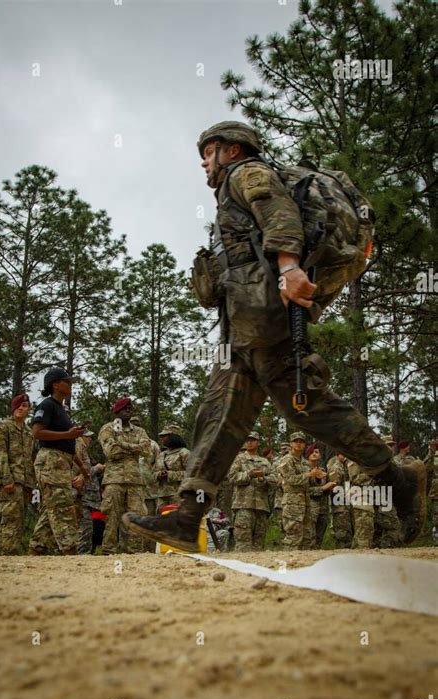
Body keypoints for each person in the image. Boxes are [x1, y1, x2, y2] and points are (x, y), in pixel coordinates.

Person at [123, 120, 426, 551]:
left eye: (207, 153)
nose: (203, 164)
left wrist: (289, 268)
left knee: (289, 406)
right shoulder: (234, 184)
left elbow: (278, 214)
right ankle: (187, 518)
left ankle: (397, 480)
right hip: (247, 323)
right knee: (228, 414)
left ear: (230, 150)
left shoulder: (247, 173)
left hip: (265, 317)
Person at [28, 368, 89, 555]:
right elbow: (37, 432)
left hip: (63, 460)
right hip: (50, 460)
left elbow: (68, 443)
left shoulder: (61, 409)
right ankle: (70, 551)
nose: (70, 385)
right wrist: (68, 433)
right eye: (67, 382)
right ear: (55, 384)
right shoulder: (46, 405)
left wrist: (82, 467)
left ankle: (37, 548)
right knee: (62, 506)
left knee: (52, 507)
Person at [98, 398, 151, 554]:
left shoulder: (139, 431)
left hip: (135, 481)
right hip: (114, 480)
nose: (128, 410)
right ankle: (109, 551)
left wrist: (123, 445)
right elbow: (112, 452)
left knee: (136, 518)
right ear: (116, 411)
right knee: (112, 517)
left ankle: (133, 552)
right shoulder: (108, 429)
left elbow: (147, 450)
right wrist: (135, 448)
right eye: (124, 408)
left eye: (130, 408)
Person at [0, 393, 36, 554]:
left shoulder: (29, 432)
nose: (21, 409)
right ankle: (5, 555)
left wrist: (31, 485)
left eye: (24, 406)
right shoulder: (3, 427)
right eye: (18, 406)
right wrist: (6, 479)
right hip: (9, 481)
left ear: (29, 409)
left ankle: (12, 554)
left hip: (24, 483)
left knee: (19, 521)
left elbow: (30, 459)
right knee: (10, 519)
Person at [228, 431, 275, 551]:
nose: (249, 442)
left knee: (259, 544)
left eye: (252, 440)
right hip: (243, 506)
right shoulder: (238, 459)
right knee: (243, 543)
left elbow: (275, 480)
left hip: (261, 507)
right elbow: (232, 477)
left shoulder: (265, 462)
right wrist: (249, 475)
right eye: (247, 440)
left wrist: (263, 478)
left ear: (258, 443)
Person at [280, 432, 325, 549]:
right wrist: (310, 474)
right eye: (296, 441)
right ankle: (289, 564)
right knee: (293, 537)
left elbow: (311, 483)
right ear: (291, 444)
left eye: (301, 442)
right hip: (292, 502)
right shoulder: (286, 460)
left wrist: (318, 477)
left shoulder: (305, 462)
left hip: (306, 503)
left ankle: (302, 565)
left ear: (305, 445)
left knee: (307, 538)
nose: (299, 444)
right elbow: (291, 480)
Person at [305, 443, 334, 548]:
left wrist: (329, 488)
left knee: (319, 537)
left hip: (323, 507)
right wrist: (322, 488)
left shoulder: (323, 470)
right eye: (312, 452)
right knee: (310, 537)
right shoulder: (304, 471)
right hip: (310, 507)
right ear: (307, 455)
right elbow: (305, 490)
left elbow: (326, 489)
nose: (314, 454)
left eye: (316, 452)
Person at [154, 428, 190, 511]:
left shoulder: (184, 453)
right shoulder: (161, 454)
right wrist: (159, 475)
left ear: (173, 437)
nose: (161, 438)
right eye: (161, 436)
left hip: (179, 495)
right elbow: (153, 473)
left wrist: (170, 475)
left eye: (164, 436)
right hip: (162, 495)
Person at [327, 452, 354, 549]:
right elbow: (334, 487)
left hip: (346, 503)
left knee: (348, 532)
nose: (345, 455)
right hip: (340, 505)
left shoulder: (345, 466)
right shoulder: (336, 468)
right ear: (338, 455)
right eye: (342, 453)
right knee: (342, 533)